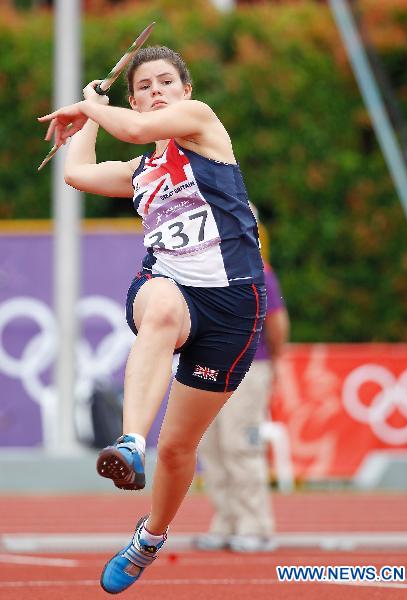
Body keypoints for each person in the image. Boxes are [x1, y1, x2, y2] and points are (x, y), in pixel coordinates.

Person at [38, 46, 266, 594]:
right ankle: (129, 443)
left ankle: (150, 537)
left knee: (180, 448)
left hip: (233, 306)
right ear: (133, 97)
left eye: (167, 81)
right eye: (144, 86)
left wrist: (89, 109)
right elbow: (79, 174)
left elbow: (135, 131)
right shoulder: (142, 172)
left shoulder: (200, 121)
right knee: (160, 306)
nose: (157, 90)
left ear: (184, 91)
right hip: (172, 287)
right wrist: (88, 114)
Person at [195, 261, 289, 553]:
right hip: (205, 368)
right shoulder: (196, 268)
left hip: (246, 367)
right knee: (211, 447)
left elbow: (276, 322)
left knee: (240, 446)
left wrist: (268, 363)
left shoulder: (257, 270)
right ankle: (227, 521)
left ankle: (255, 526)